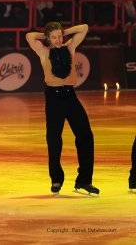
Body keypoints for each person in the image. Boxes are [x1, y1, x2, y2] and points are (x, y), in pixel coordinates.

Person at [26, 22, 100, 195]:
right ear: (48, 39)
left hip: (70, 96)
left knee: (86, 136)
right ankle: (56, 179)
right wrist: (46, 35)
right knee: (54, 139)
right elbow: (29, 36)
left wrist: (63, 32)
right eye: (54, 37)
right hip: (53, 98)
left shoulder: (70, 47)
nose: (58, 40)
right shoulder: (44, 51)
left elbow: (85, 28)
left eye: (59, 37)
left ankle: (84, 181)